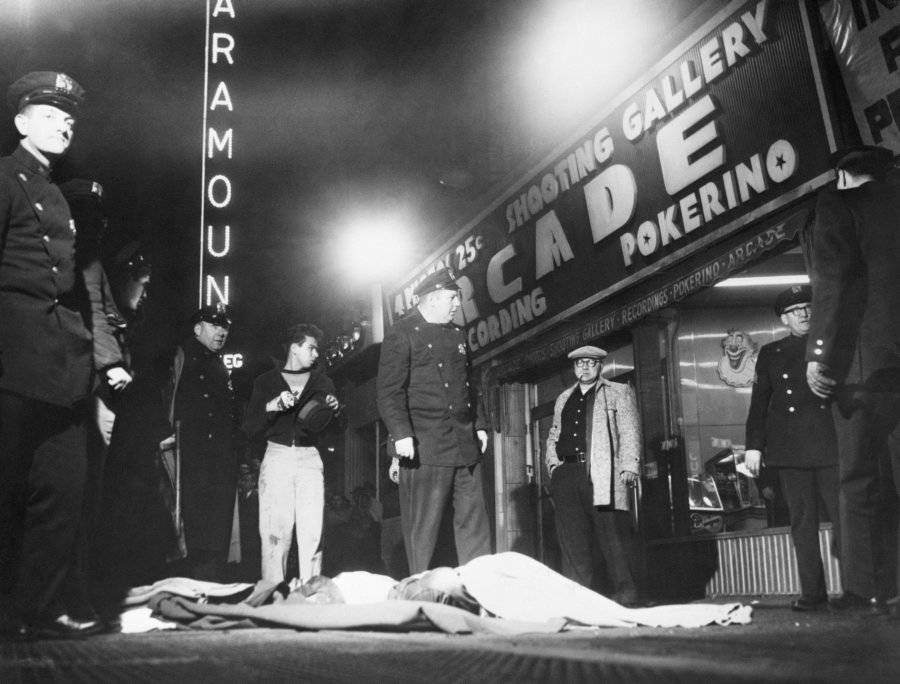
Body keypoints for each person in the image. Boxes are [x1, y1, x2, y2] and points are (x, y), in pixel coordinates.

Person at [0, 71, 106, 638]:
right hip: (11, 355)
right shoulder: (4, 178)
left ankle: (35, 611)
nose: (64, 122)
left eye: (69, 117)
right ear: (21, 123)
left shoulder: (59, 192)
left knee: (63, 490)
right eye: (49, 114)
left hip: (62, 365)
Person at [805, 145, 900, 617]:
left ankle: (870, 590)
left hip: (864, 369)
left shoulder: (836, 205)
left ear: (842, 175)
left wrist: (818, 354)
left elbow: (833, 281)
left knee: (859, 480)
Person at [377, 267, 492, 574]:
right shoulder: (401, 334)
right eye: (453, 298)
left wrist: (479, 424)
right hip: (423, 446)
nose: (458, 304)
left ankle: (480, 589)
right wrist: (401, 435)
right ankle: (423, 591)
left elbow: (470, 384)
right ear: (433, 298)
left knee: (474, 525)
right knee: (423, 529)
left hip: (463, 444)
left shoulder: (457, 335)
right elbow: (389, 392)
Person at [744, 285, 839, 611]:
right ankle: (813, 594)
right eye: (795, 309)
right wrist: (753, 447)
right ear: (784, 318)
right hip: (790, 448)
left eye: (807, 306)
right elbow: (760, 403)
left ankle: (859, 588)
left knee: (845, 519)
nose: (804, 313)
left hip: (831, 443)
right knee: (802, 522)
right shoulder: (770, 353)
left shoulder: (831, 342)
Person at [242, 323, 341, 583]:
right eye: (311, 348)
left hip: (310, 457)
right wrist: (272, 406)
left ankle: (311, 592)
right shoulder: (265, 382)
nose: (316, 354)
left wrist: (334, 407)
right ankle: (274, 592)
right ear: (295, 348)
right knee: (276, 532)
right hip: (277, 456)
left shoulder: (323, 382)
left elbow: (335, 429)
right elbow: (249, 427)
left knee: (312, 532)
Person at [544, 345, 642, 605]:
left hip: (602, 473)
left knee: (612, 536)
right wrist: (554, 466)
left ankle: (626, 593)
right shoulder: (564, 397)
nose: (584, 368)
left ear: (601, 365)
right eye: (579, 364)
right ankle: (580, 599)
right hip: (567, 474)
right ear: (574, 368)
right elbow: (554, 434)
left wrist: (629, 465)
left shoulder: (617, 392)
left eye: (590, 363)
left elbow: (629, 430)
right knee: (572, 539)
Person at [164, 303, 241, 581]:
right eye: (215, 325)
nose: (222, 332)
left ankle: (210, 582)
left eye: (225, 327)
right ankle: (190, 582)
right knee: (189, 520)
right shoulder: (180, 356)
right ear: (198, 328)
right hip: (189, 452)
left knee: (217, 522)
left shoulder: (219, 364)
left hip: (219, 456)